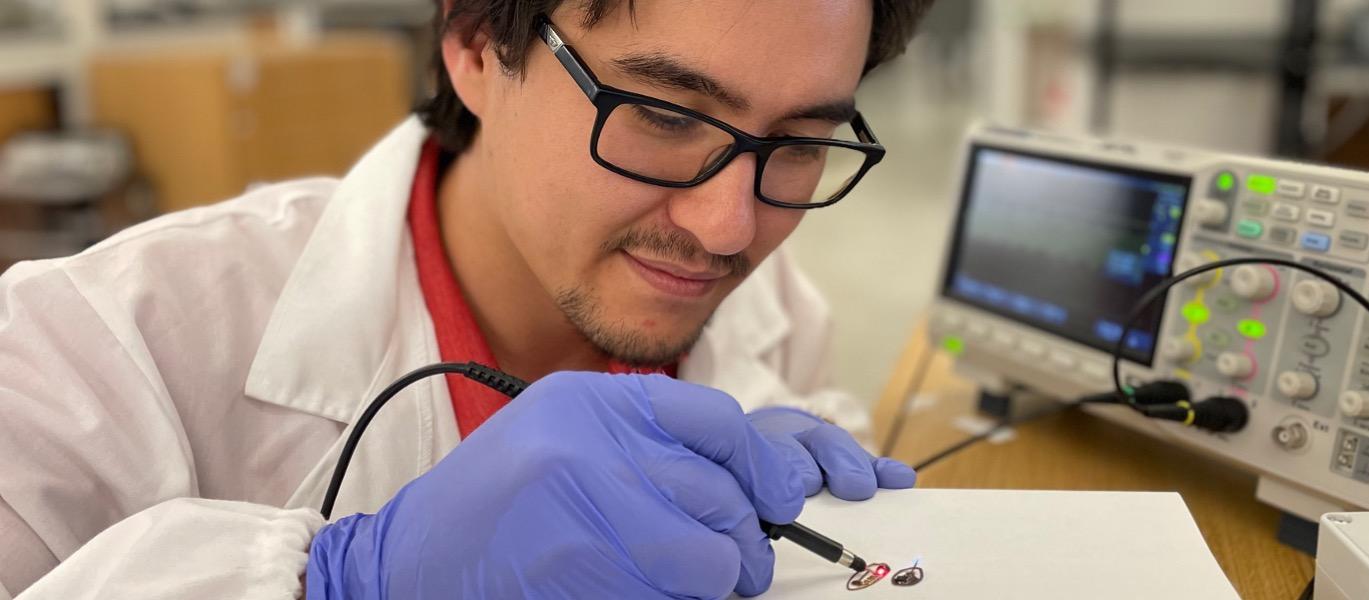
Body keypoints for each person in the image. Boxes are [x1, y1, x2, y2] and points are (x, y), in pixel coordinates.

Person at [0, 0, 933, 597]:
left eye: (800, 143)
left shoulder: (783, 315)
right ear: (477, 44)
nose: (729, 228)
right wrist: (344, 583)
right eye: (663, 115)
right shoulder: (89, 347)